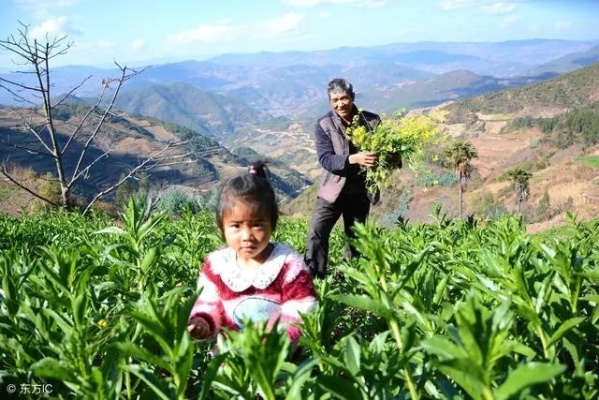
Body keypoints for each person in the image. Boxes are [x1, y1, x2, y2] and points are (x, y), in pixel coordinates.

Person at [187, 161, 318, 343]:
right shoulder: (218, 267)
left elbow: (303, 307)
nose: (247, 235)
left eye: (257, 225)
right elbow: (209, 303)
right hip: (233, 363)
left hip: (278, 362)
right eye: (236, 226)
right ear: (222, 228)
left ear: (272, 224)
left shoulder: (287, 265)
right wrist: (202, 322)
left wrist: (276, 335)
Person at [305, 78, 400, 279]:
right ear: (330, 102)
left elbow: (386, 151)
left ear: (353, 97)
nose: (340, 104)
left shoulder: (371, 121)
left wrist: (390, 156)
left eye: (344, 98)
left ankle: (349, 280)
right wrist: (353, 159)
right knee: (316, 233)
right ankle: (314, 279)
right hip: (332, 192)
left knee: (355, 240)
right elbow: (326, 159)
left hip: (360, 193)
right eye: (335, 100)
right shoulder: (324, 124)